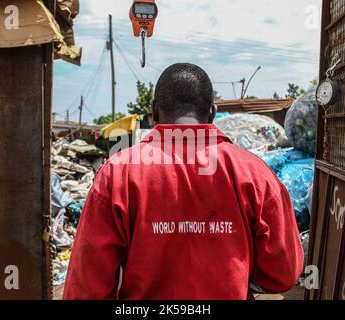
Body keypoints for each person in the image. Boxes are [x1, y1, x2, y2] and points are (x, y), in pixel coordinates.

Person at [63, 63, 303, 300]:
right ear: (212, 112)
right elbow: (283, 274)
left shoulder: (117, 174)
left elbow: (86, 287)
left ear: (154, 111)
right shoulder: (254, 173)